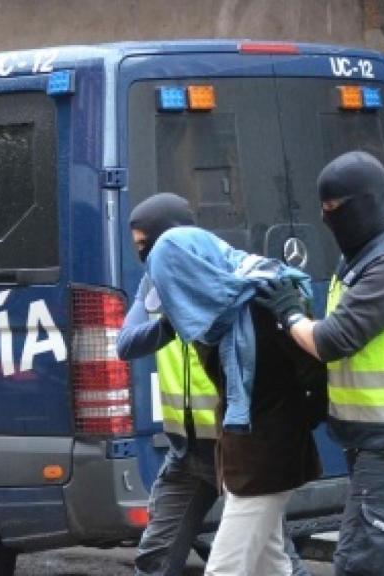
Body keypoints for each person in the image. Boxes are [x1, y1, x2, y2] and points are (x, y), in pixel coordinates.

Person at [256, 151, 384, 576]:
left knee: (359, 564)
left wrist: (290, 315)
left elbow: (333, 340)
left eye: (335, 208)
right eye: (324, 208)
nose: (328, 219)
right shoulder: (372, 246)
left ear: (369, 201)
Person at [118, 194, 311, 576]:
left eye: (147, 245)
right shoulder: (157, 283)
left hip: (238, 447)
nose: (143, 256)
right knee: (156, 560)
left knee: (268, 558)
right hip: (187, 450)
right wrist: (175, 319)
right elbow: (126, 344)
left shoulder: (233, 285)